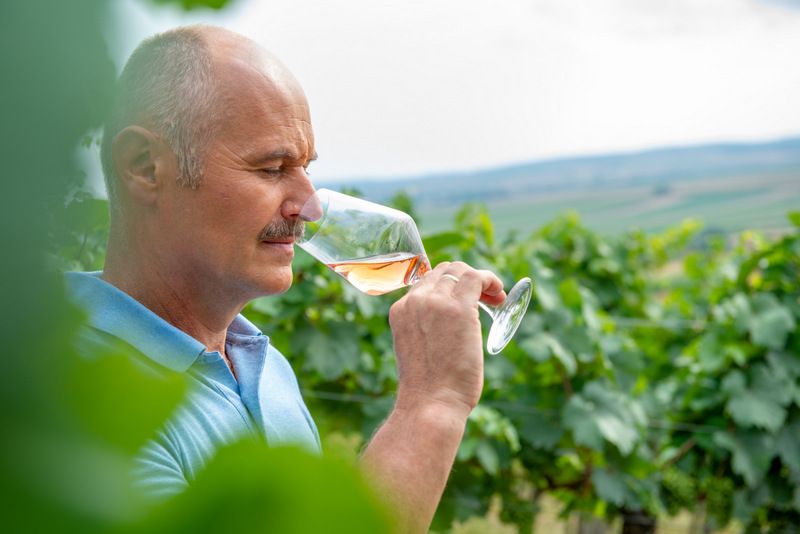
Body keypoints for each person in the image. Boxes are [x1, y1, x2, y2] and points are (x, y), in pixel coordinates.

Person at [66, 25, 506, 533]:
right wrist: (432, 405)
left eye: (305, 168)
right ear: (144, 168)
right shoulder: (77, 405)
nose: (310, 206)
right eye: (273, 168)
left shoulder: (264, 365)